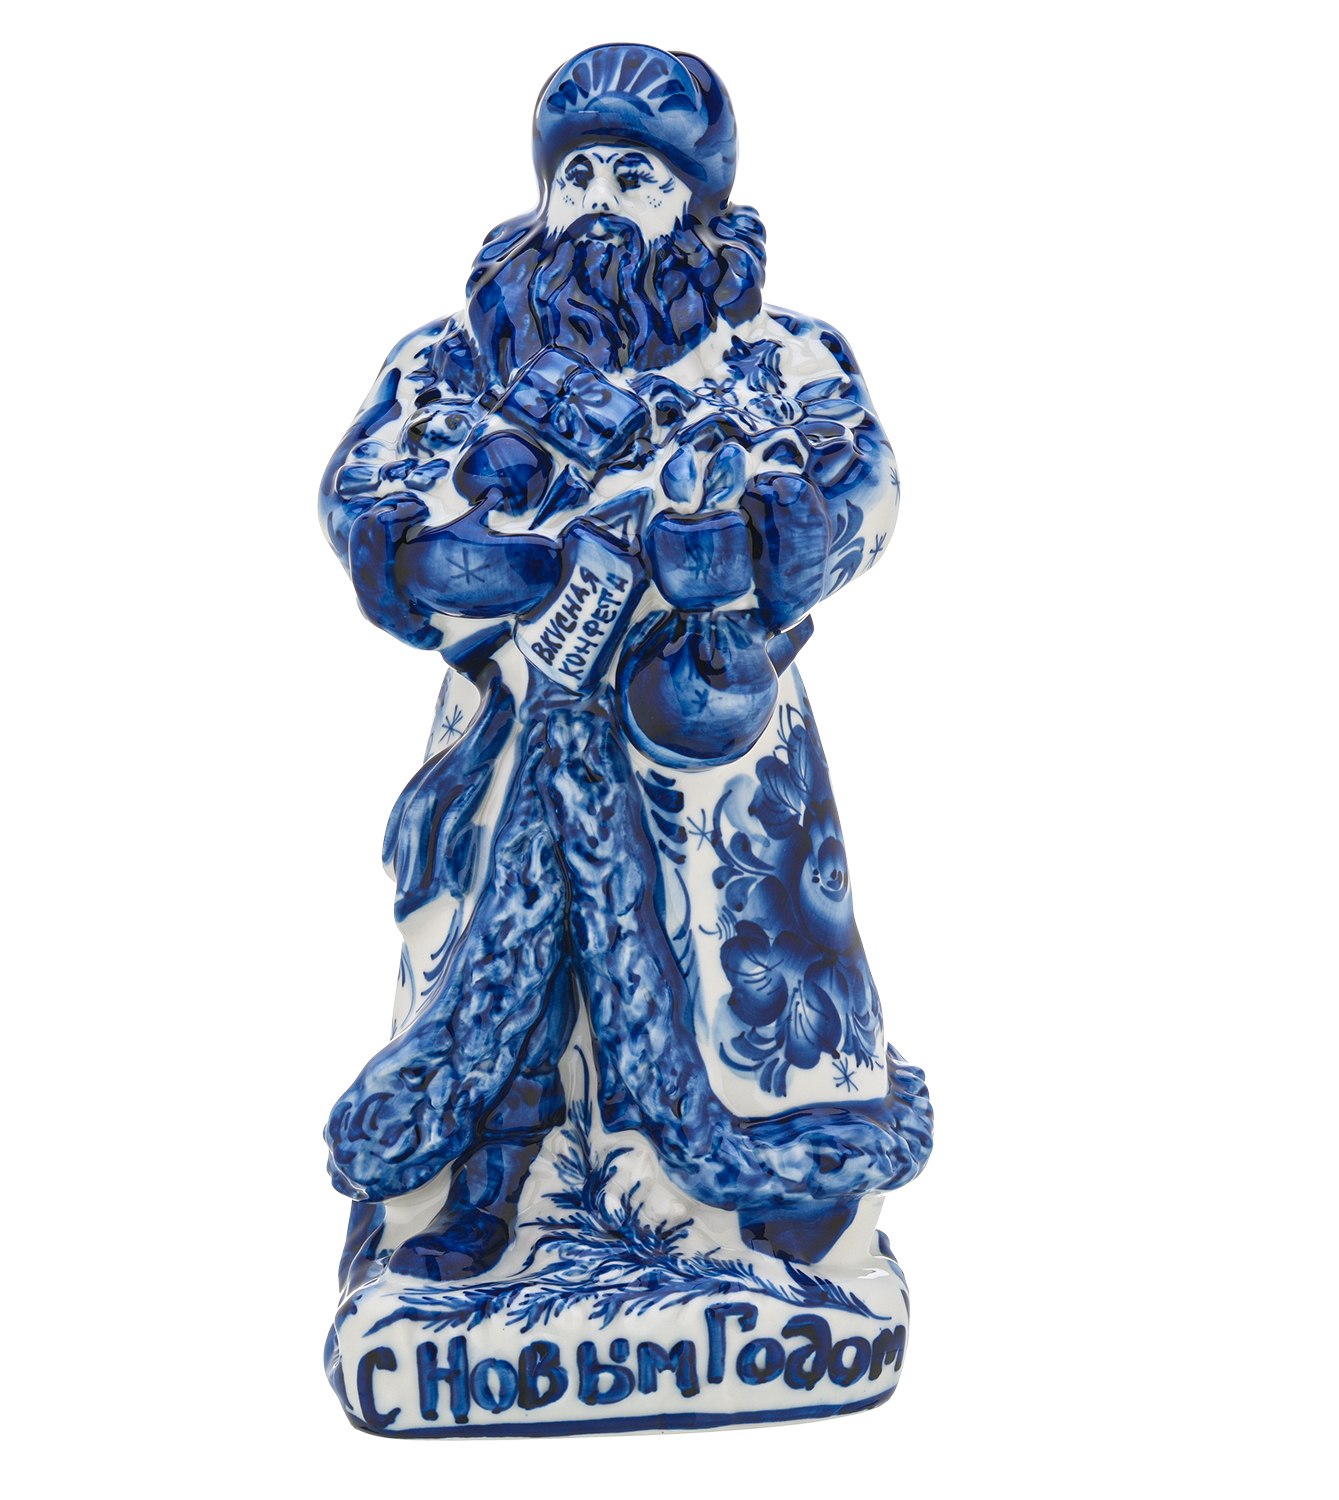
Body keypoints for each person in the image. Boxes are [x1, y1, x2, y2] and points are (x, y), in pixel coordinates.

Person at [318, 44, 932, 1287]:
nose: (600, 201)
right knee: (493, 958)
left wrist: (759, 543)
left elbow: (863, 485)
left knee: (753, 943)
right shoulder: (456, 359)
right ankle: (477, 1186)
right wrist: (439, 556)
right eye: (580, 174)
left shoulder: (782, 357)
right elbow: (368, 486)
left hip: (708, 732)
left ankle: (791, 1190)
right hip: (516, 714)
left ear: (696, 202)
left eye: (637, 177)